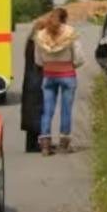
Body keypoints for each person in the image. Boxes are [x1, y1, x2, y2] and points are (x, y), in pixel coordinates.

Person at [34, 8, 84, 155]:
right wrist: (73, 64)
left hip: (49, 74)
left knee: (47, 110)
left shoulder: (41, 35)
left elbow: (38, 60)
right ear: (65, 18)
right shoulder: (70, 32)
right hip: (67, 73)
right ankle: (64, 143)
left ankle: (45, 144)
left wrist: (47, 64)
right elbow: (78, 56)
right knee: (66, 109)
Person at [21, 20, 45, 153]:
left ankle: (30, 143)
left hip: (29, 80)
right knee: (37, 110)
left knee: (29, 112)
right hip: (36, 79)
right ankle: (34, 144)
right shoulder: (38, 43)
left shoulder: (30, 42)